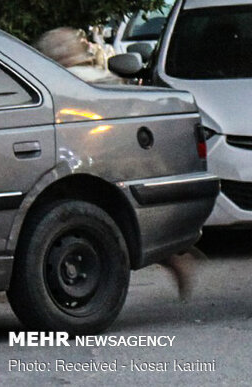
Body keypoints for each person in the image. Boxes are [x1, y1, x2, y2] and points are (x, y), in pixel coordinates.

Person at [33, 27, 201, 300]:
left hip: (87, 163)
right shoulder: (101, 78)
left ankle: (172, 255)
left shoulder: (67, 84)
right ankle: (175, 253)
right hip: (116, 160)